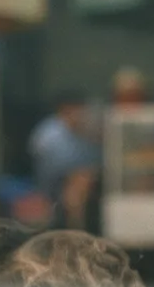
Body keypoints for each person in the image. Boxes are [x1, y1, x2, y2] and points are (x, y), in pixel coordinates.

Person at [29, 92, 100, 228]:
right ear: (63, 111)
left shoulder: (89, 131)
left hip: (85, 180)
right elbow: (44, 163)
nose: (78, 114)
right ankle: (73, 229)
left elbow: (96, 160)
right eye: (73, 110)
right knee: (76, 187)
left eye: (80, 110)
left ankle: (78, 229)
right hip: (52, 181)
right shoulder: (47, 133)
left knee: (82, 182)